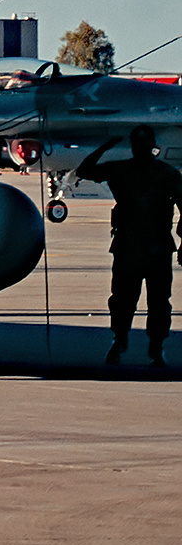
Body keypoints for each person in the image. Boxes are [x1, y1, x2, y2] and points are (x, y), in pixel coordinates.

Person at [75, 125, 182, 365]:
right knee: (127, 300)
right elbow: (84, 171)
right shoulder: (150, 172)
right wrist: (105, 147)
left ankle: (152, 346)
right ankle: (124, 341)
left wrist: (106, 147)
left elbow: (85, 169)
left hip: (146, 247)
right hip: (137, 247)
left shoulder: (150, 172)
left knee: (154, 301)